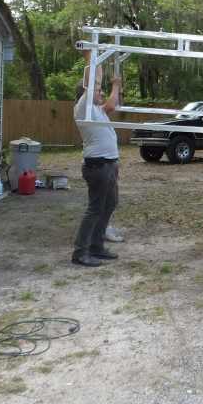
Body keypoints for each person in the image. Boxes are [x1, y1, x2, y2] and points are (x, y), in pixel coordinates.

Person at [72, 64, 122, 267]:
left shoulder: (98, 110)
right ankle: (80, 253)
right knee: (95, 209)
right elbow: (93, 82)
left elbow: (111, 105)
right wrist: (94, 61)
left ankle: (96, 246)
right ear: (86, 92)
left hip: (109, 166)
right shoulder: (83, 108)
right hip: (97, 167)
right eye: (98, 91)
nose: (101, 93)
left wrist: (116, 85)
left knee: (109, 204)